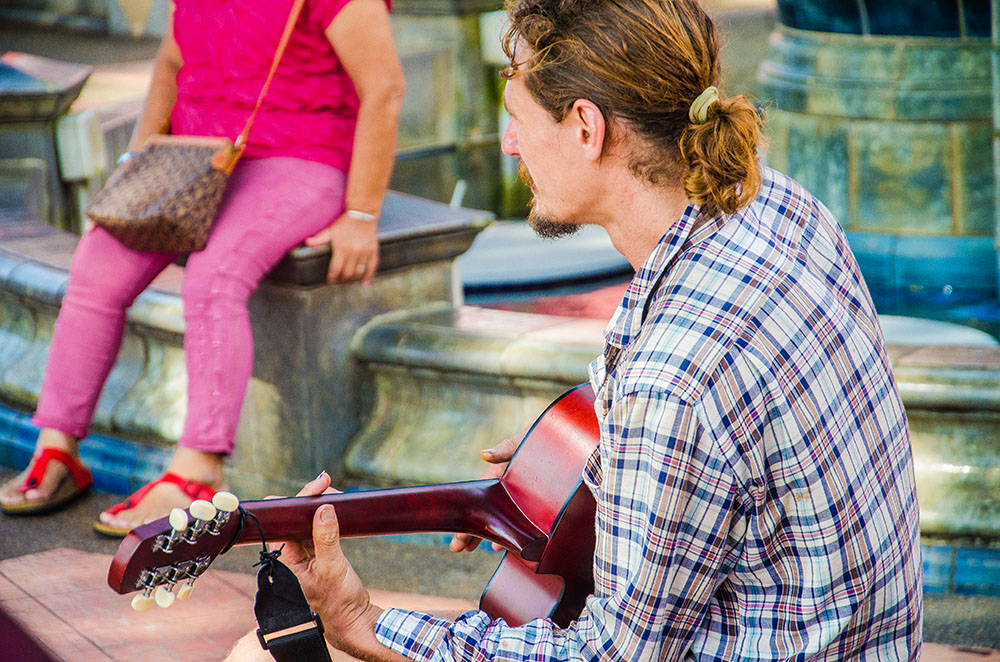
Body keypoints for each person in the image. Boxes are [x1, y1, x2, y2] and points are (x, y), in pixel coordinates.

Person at [225, 0, 923, 659]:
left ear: (588, 128)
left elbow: (604, 654)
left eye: (519, 119)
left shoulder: (674, 380)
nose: (508, 145)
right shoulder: (774, 200)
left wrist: (362, 622)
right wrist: (580, 468)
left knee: (257, 654)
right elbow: (735, 445)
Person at [0, 0, 405, 536]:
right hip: (197, 154)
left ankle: (198, 470)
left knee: (214, 279)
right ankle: (59, 447)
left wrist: (361, 213)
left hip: (299, 156)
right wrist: (136, 165)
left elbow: (385, 88)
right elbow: (171, 65)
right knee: (97, 261)